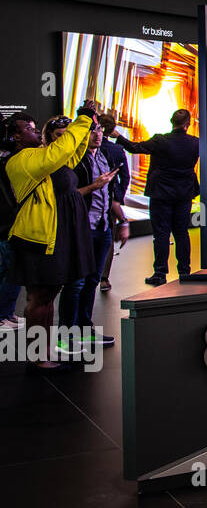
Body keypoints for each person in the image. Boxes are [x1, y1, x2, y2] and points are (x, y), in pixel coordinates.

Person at [5, 108, 105, 369]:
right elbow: (60, 152)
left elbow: (72, 153)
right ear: (15, 137)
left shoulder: (39, 156)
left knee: (48, 296)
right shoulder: (21, 160)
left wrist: (88, 126)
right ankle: (38, 357)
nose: (36, 131)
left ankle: (45, 351)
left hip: (53, 235)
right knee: (38, 298)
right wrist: (83, 120)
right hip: (35, 238)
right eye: (28, 128)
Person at [114, 108, 199, 285]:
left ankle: (160, 273)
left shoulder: (160, 141)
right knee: (182, 234)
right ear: (188, 124)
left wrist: (117, 136)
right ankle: (185, 272)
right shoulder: (195, 143)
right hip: (184, 194)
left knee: (161, 234)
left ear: (171, 122)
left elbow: (134, 147)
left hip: (161, 194)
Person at [68, 122, 125, 347]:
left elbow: (109, 193)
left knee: (92, 280)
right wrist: (94, 185)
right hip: (82, 229)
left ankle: (85, 329)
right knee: (76, 283)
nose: (97, 135)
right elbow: (68, 195)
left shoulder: (104, 156)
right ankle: (68, 334)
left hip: (102, 227)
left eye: (100, 130)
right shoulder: (75, 160)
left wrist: (122, 220)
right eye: (92, 131)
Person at [0, 112, 37, 330]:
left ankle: (7, 312)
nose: (34, 132)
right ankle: (3, 314)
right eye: (29, 129)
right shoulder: (7, 159)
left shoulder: (15, 157)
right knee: (7, 269)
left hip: (15, 222)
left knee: (12, 271)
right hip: (6, 224)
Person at [94, 111, 130, 294]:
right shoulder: (117, 150)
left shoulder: (89, 148)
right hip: (110, 200)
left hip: (93, 199)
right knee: (107, 238)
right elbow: (125, 177)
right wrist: (118, 197)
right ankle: (104, 278)